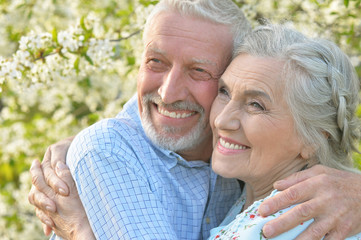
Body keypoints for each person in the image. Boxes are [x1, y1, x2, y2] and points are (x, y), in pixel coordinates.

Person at [27, 0, 361, 239]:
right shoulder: (111, 151)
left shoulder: (300, 214)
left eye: (199, 70)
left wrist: (80, 231)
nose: (169, 93)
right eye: (155, 62)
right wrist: (88, 146)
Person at [206, 23, 361, 239]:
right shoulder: (250, 198)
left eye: (255, 105)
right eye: (224, 92)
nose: (222, 120)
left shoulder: (281, 227)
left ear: (313, 138)